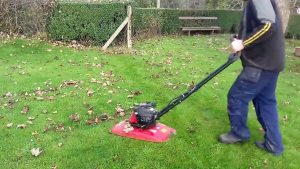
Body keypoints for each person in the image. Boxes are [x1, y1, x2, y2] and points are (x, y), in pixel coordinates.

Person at [218, 0, 285, 156]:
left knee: (236, 96)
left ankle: (239, 133)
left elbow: (268, 26)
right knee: (266, 103)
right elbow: (259, 27)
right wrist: (239, 38)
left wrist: (243, 43)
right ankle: (274, 144)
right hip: (270, 63)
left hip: (260, 64)